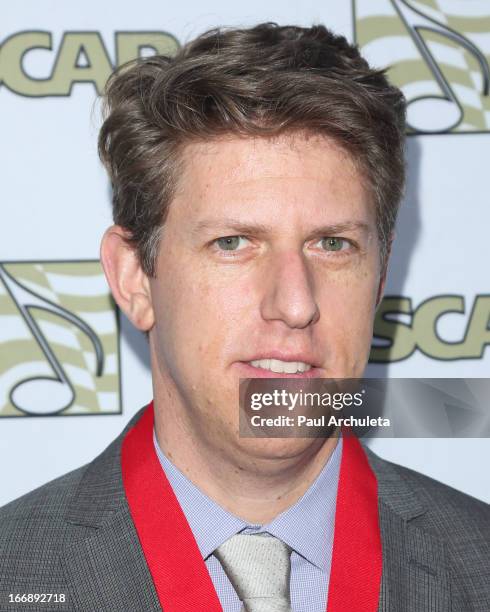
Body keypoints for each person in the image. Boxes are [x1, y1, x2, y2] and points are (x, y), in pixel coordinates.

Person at [0, 22, 488, 612]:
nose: (295, 303)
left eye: (332, 245)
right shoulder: (14, 571)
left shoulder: (478, 562)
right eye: (233, 243)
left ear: (381, 277)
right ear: (134, 277)